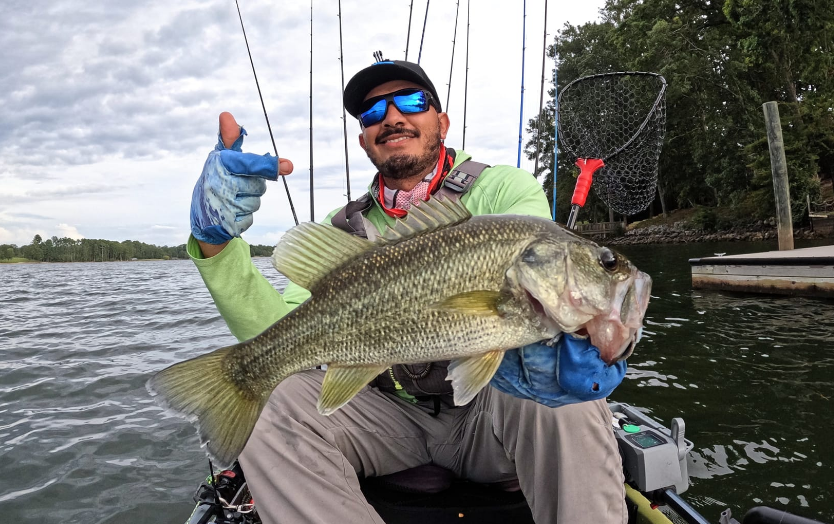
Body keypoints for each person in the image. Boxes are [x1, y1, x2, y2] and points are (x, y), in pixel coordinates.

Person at [187, 58, 628, 524]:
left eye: (412, 102)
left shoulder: (503, 192)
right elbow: (281, 332)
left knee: (558, 396)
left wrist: (582, 332)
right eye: (373, 112)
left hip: (492, 418)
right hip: (388, 422)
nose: (392, 117)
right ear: (363, 139)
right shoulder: (342, 232)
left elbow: (543, 276)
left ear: (441, 121)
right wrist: (217, 245)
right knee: (273, 406)